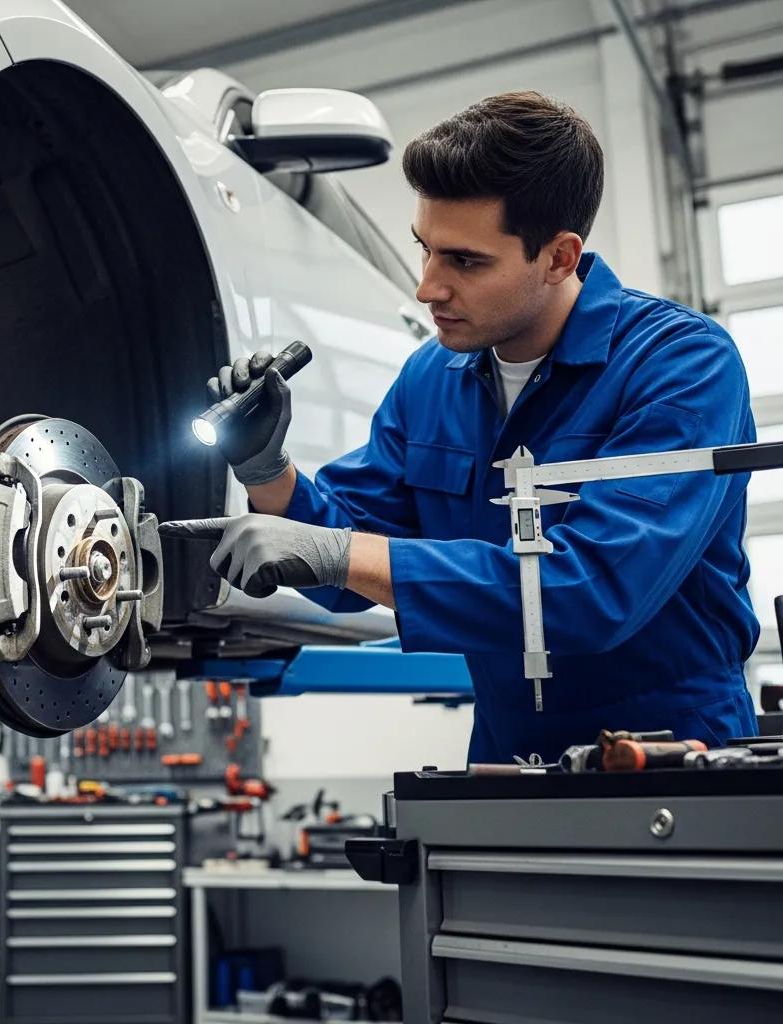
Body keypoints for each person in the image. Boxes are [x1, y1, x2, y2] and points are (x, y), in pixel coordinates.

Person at [159, 91, 759, 764]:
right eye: (426, 250)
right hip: (510, 759)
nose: (427, 289)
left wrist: (339, 552)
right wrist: (268, 472)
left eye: (465, 262)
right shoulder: (432, 378)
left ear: (559, 257)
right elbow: (343, 562)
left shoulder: (681, 365)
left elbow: (590, 592)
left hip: (676, 754)